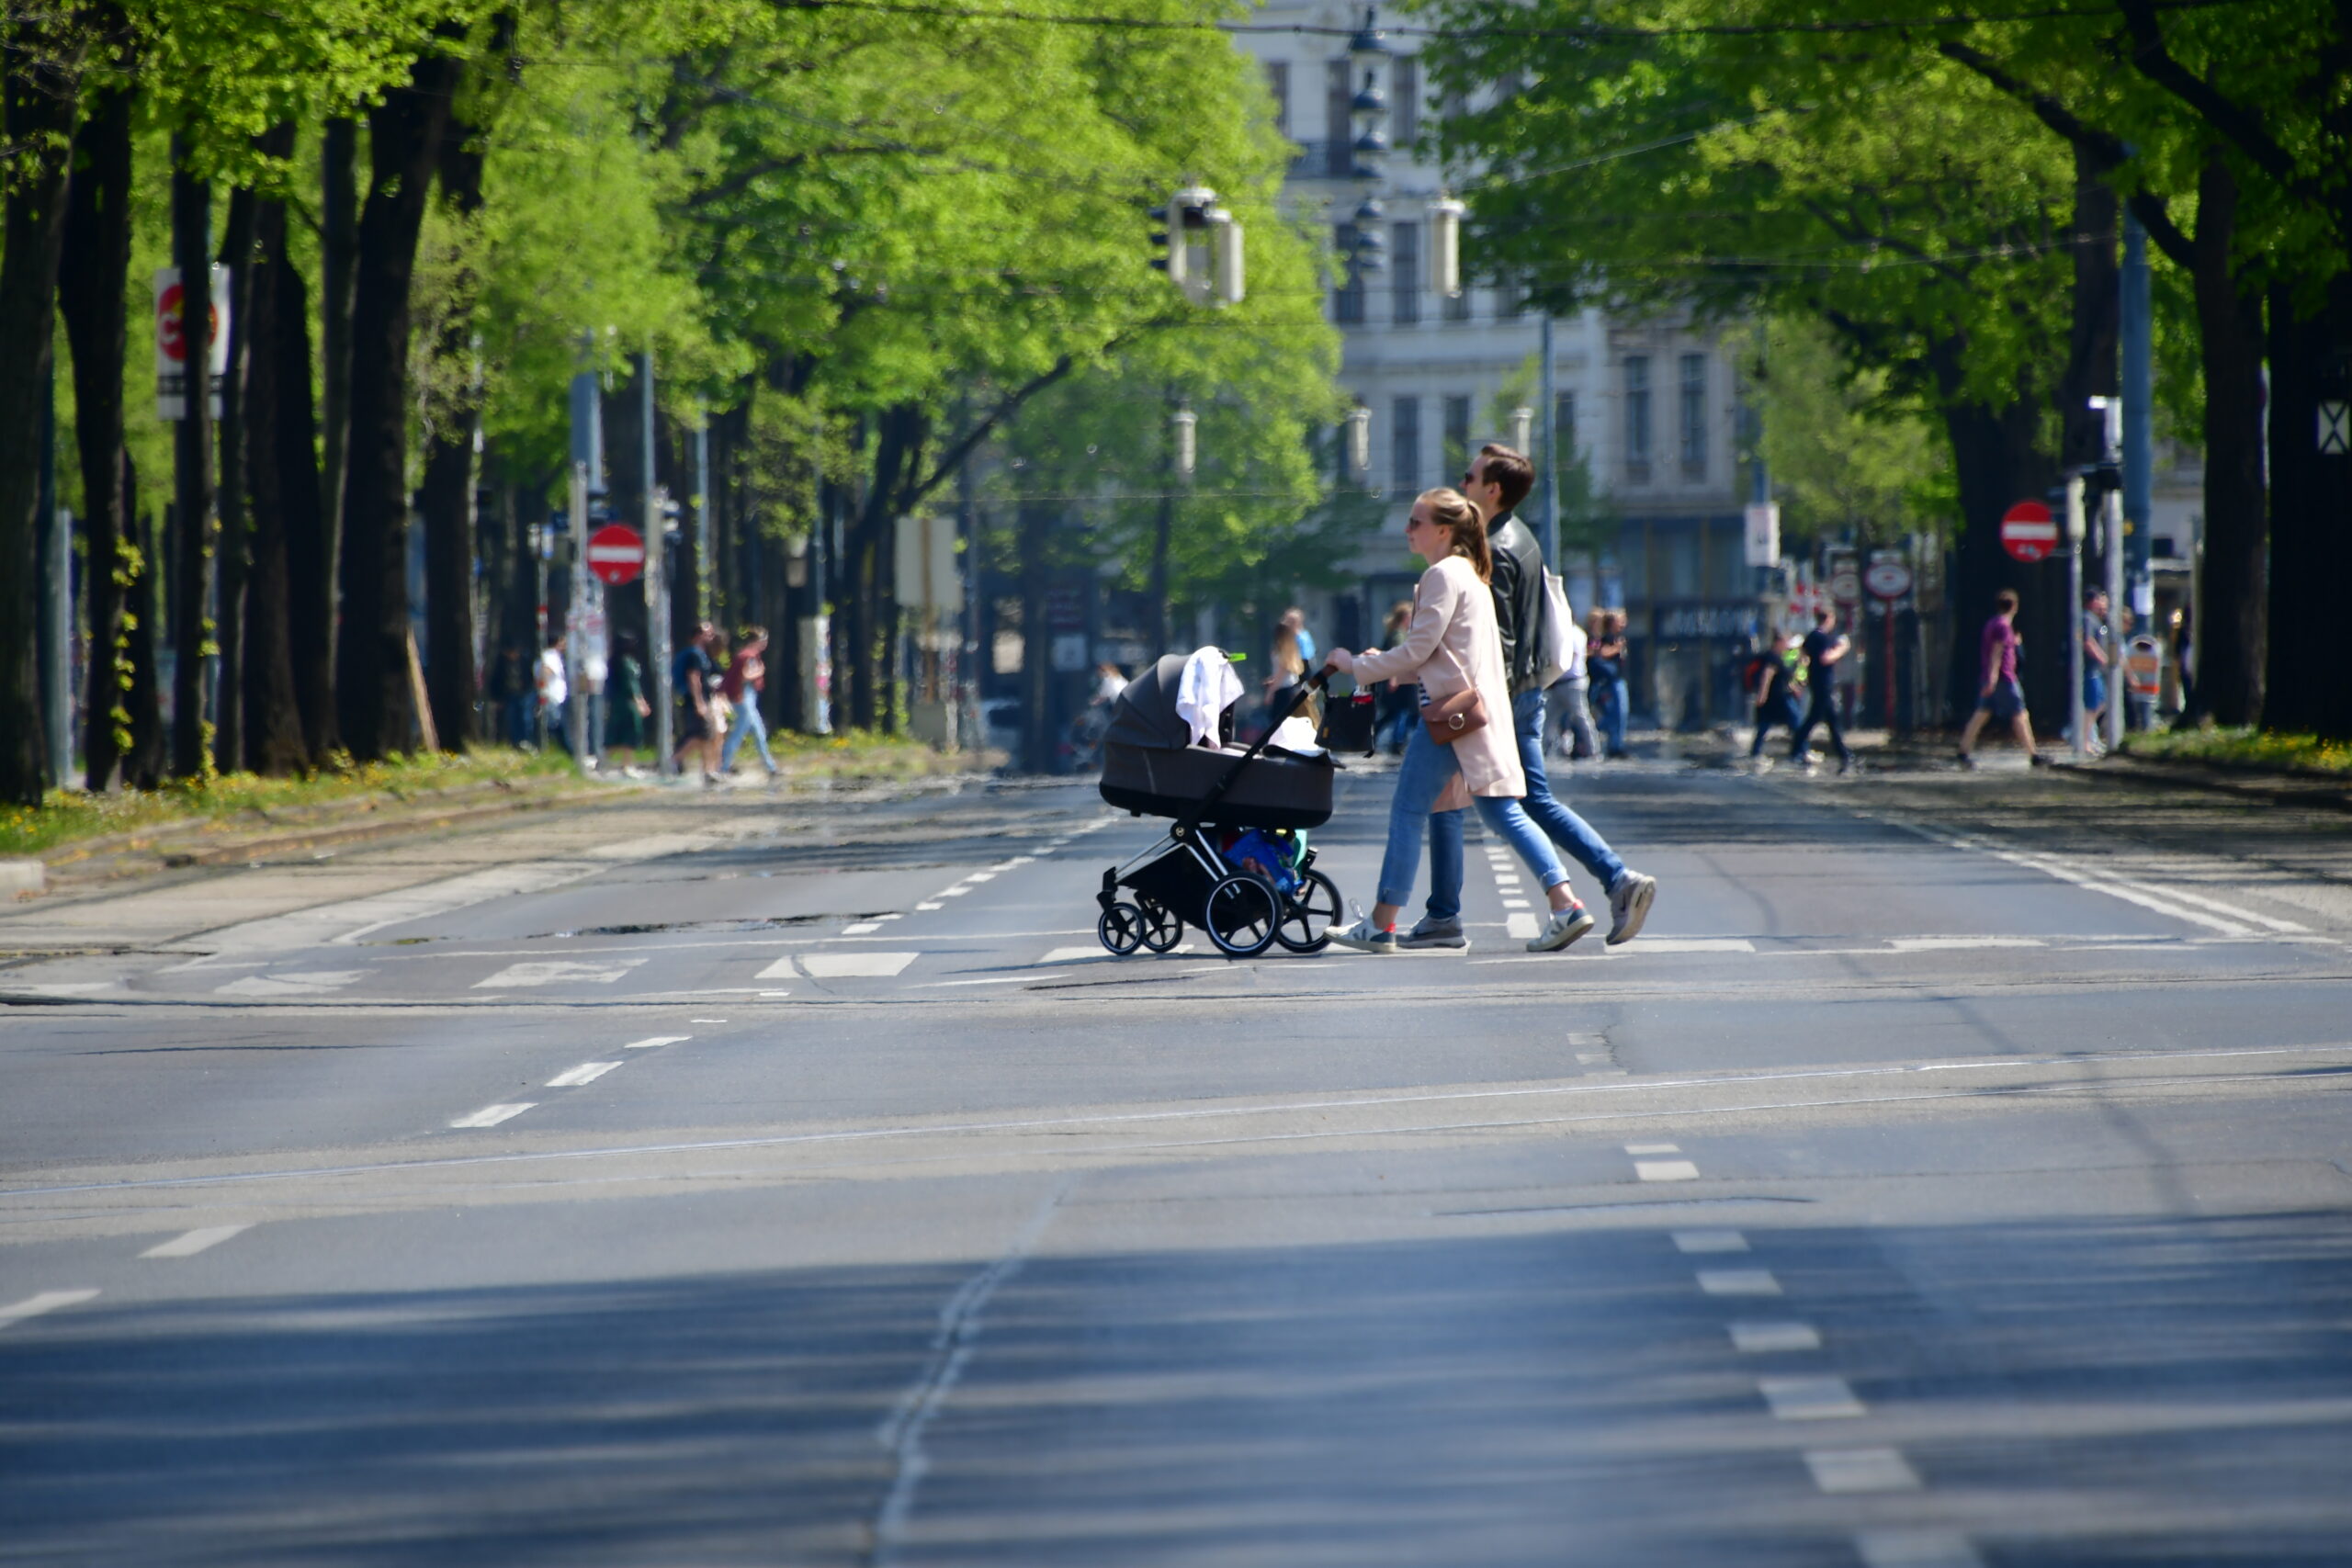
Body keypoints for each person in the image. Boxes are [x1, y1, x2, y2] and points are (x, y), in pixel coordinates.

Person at [1326, 488, 1599, 954]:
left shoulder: (1442, 575)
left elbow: (1419, 649)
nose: (1407, 529)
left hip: (1450, 717)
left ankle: (1382, 924)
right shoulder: (1469, 573)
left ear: (1444, 530)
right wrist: (1394, 667)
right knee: (1501, 812)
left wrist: (1354, 665)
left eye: (1416, 521)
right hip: (1473, 714)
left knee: (1408, 811)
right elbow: (1446, 654)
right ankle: (1564, 904)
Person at [1440, 445, 1657, 946]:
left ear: (1492, 490)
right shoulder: (1520, 537)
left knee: (1464, 800)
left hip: (1506, 696)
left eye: (1469, 477)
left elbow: (1500, 638)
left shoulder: (1496, 547)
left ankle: (1574, 897)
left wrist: (1479, 698)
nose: (1462, 483)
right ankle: (1613, 881)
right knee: (1522, 801)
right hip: (1525, 691)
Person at [1957, 589, 2038, 766]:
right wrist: (1993, 679)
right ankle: (2033, 755)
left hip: (1990, 677)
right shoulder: (2003, 626)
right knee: (2020, 714)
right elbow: (1997, 653)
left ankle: (1963, 750)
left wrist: (2014, 643)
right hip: (2004, 678)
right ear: (2014, 606)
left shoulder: (1992, 623)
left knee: (1982, 713)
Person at [1788, 606, 1855, 773]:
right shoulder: (1821, 637)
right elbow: (1825, 658)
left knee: (1829, 719)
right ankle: (1796, 750)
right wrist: (1842, 649)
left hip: (1816, 680)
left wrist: (1803, 674)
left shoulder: (1811, 636)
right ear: (1828, 619)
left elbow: (1803, 654)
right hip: (1823, 682)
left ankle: (1843, 753)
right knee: (1816, 717)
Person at [719, 626, 781, 777]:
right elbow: (745, 676)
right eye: (763, 640)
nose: (765, 643)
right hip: (743, 696)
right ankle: (723, 767)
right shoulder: (748, 656)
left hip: (747, 696)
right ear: (756, 641)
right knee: (738, 733)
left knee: (759, 732)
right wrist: (760, 671)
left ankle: (770, 767)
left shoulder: (747, 655)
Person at [670, 621, 722, 782]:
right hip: (696, 701)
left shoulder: (701, 654)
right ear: (698, 636)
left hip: (699, 699)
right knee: (700, 736)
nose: (711, 637)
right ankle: (674, 761)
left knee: (705, 736)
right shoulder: (695, 655)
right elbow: (694, 678)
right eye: (708, 634)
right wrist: (699, 702)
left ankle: (708, 771)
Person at [1546, 604, 1597, 761]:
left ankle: (1593, 749)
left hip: (1571, 682)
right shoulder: (1575, 632)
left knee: (1581, 717)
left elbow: (1570, 656)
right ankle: (1544, 749)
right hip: (1562, 683)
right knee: (1550, 718)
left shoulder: (1572, 633)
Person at [1747, 629, 1803, 763]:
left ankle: (1756, 752)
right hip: (1779, 699)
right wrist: (1762, 694)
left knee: (1765, 726)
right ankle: (1800, 752)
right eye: (1785, 641)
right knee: (1795, 724)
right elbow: (1767, 675)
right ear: (1778, 642)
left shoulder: (1779, 658)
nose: (1787, 645)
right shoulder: (1772, 657)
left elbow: (1782, 679)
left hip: (1778, 698)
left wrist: (1794, 687)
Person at [1374, 600, 1417, 752]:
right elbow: (1397, 658)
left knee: (1393, 713)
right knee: (1402, 711)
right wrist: (1395, 678)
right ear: (1404, 617)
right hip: (1400, 680)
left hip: (1399, 678)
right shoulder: (1399, 635)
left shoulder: (1399, 633)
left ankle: (1375, 735)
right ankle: (1397, 742)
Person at [1589, 609, 1631, 758]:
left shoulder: (1619, 637)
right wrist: (1617, 648)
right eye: (1620, 621)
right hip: (1609, 681)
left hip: (1618, 678)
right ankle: (1594, 733)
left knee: (1620, 714)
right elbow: (1601, 652)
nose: (1623, 624)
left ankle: (1616, 745)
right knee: (1615, 713)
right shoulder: (1607, 638)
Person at [2080, 587, 2111, 750]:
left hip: (2095, 671)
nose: (2102, 604)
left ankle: (2087, 736)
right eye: (2099, 599)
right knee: (2092, 705)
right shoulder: (2087, 618)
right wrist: (2104, 659)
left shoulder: (2096, 620)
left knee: (2100, 703)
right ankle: (2083, 740)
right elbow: (2088, 642)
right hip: (2090, 670)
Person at [536, 632, 570, 752]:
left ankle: (558, 748)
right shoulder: (550, 655)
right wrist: (544, 688)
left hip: (555, 697)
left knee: (555, 723)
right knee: (555, 724)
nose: (565, 644)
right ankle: (563, 749)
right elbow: (545, 671)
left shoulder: (549, 655)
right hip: (553, 696)